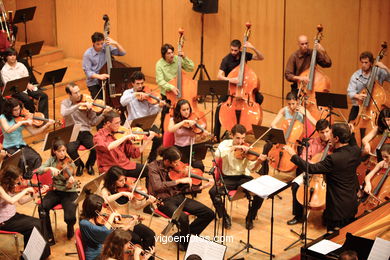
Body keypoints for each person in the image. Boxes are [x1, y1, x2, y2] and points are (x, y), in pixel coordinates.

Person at [284, 123, 360, 231]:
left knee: (333, 236)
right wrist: (350, 133)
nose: (328, 136)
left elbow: (311, 168)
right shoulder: (355, 151)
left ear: (336, 138)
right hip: (351, 203)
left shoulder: (334, 158)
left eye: (330, 134)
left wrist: (293, 155)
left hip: (336, 206)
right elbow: (353, 143)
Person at [147, 146, 214, 250]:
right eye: (175, 162)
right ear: (167, 161)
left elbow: (183, 190)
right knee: (183, 217)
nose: (178, 165)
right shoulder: (153, 167)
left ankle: (182, 236)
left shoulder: (176, 169)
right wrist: (178, 181)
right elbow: (157, 186)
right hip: (163, 201)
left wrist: (201, 187)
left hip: (179, 197)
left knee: (209, 213)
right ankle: (186, 243)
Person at [209, 124, 267, 230]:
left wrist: (259, 161)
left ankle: (250, 217)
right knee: (213, 192)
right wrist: (234, 147)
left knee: (261, 192)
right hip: (228, 178)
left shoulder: (247, 147)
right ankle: (224, 216)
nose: (241, 141)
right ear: (231, 135)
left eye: (243, 138)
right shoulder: (225, 144)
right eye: (238, 138)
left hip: (243, 178)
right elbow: (217, 155)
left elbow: (252, 169)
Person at [214, 39, 265, 141]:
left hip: (245, 90)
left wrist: (253, 47)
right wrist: (231, 79)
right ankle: (216, 135)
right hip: (231, 90)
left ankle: (252, 125)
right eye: (232, 50)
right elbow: (219, 76)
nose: (233, 52)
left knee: (259, 98)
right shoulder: (226, 60)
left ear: (240, 49)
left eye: (235, 50)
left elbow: (261, 57)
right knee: (219, 106)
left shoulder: (244, 55)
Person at [0, 165, 51, 259]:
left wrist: (36, 194)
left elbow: (21, 201)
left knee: (39, 222)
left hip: (13, 215)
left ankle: (40, 255)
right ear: (10, 178)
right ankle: (30, 257)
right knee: (33, 225)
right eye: (17, 179)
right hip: (3, 221)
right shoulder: (0, 188)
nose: (19, 180)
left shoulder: (10, 186)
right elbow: (11, 200)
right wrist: (26, 190)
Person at [287, 119, 332, 225]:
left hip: (328, 175)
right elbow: (303, 158)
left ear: (330, 130)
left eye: (327, 131)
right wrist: (311, 163)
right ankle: (298, 216)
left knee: (332, 190)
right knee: (294, 185)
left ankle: (327, 214)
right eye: (322, 132)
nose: (325, 135)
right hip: (311, 172)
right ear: (318, 132)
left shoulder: (334, 143)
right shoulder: (312, 142)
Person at [101, 166, 156, 251]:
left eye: (124, 179)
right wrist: (121, 194)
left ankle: (147, 257)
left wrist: (147, 202)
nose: (124, 182)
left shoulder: (127, 188)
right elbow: (105, 200)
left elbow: (136, 207)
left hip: (128, 219)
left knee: (151, 234)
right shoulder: (106, 190)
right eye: (120, 181)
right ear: (112, 181)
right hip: (116, 223)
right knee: (136, 239)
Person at [61, 82, 110, 176]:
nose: (79, 94)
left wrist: (104, 115)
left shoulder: (88, 103)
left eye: (79, 91)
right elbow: (64, 113)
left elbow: (93, 122)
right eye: (75, 93)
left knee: (95, 148)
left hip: (85, 131)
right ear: (69, 95)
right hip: (72, 131)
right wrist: (77, 106)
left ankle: (89, 165)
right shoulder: (65, 103)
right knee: (70, 149)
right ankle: (79, 164)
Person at [35, 138, 78, 243]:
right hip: (56, 191)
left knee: (69, 218)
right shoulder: (51, 160)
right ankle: (49, 236)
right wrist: (50, 169)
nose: (62, 153)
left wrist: (70, 183)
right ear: (55, 151)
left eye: (64, 150)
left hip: (69, 192)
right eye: (59, 151)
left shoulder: (70, 163)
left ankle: (70, 228)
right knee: (42, 208)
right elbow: (39, 170)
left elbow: (68, 187)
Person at [0, 98, 54, 175]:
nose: (18, 111)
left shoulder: (22, 118)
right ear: (9, 110)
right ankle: (22, 180)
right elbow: (8, 130)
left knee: (36, 158)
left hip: (22, 145)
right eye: (15, 110)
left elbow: (34, 132)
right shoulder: (2, 117)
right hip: (9, 147)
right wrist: (22, 122)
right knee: (22, 161)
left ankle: (34, 178)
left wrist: (47, 125)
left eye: (19, 109)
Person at [94, 110, 156, 176]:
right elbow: (108, 147)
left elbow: (135, 154)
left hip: (125, 166)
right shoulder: (98, 136)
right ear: (108, 123)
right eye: (116, 123)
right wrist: (125, 137)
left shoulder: (123, 133)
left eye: (120, 122)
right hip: (110, 169)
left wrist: (147, 141)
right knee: (120, 180)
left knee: (149, 170)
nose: (119, 125)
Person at [120, 71, 163, 162]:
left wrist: (159, 106)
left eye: (142, 83)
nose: (140, 86)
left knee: (159, 137)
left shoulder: (148, 93)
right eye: (137, 84)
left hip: (146, 124)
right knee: (122, 138)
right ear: (132, 84)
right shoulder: (128, 93)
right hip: (132, 124)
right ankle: (124, 159)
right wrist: (135, 95)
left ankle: (151, 158)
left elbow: (152, 112)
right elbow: (122, 102)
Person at [79, 193, 134, 260]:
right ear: (95, 209)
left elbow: (110, 233)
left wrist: (126, 227)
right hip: (95, 255)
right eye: (102, 207)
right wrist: (112, 216)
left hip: (102, 249)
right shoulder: (84, 223)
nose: (104, 208)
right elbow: (104, 231)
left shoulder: (95, 217)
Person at [1, 48, 49, 118]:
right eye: (10, 55)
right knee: (27, 100)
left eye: (14, 55)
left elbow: (26, 77)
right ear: (6, 57)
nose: (13, 57)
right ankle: (34, 118)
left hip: (26, 87)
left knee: (43, 95)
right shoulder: (4, 71)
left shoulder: (21, 65)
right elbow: (9, 85)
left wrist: (27, 84)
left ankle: (43, 118)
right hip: (15, 91)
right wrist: (24, 85)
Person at [155, 43, 194, 130]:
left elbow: (191, 68)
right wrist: (171, 87)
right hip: (168, 94)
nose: (172, 55)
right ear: (164, 55)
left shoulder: (177, 59)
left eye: (172, 52)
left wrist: (184, 57)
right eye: (168, 53)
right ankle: (164, 131)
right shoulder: (159, 64)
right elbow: (160, 80)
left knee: (185, 109)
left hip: (181, 91)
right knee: (165, 116)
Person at [347, 51, 390, 122]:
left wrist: (385, 68)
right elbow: (350, 92)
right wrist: (357, 96)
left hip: (375, 107)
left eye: (366, 62)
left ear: (371, 63)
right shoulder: (356, 75)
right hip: (359, 107)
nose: (363, 65)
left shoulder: (378, 72)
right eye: (362, 62)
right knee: (350, 126)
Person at [82, 32, 126, 100]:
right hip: (94, 83)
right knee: (99, 104)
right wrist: (99, 76)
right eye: (98, 44)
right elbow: (88, 72)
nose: (100, 46)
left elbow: (122, 53)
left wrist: (116, 43)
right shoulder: (88, 54)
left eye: (102, 43)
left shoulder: (106, 47)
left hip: (107, 80)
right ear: (93, 43)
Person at [167, 99, 208, 171]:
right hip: (179, 149)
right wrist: (183, 122)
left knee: (199, 166)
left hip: (192, 148)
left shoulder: (193, 120)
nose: (186, 112)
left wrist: (202, 137)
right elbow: (170, 129)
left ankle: (197, 182)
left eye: (188, 109)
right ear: (179, 110)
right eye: (183, 110)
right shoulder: (173, 119)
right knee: (180, 169)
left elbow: (196, 139)